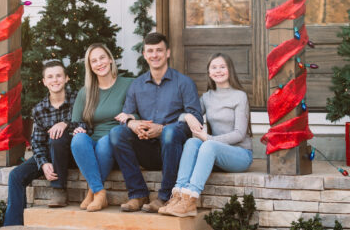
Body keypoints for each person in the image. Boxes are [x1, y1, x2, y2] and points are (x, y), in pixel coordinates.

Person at [109, 32, 202, 213]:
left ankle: (165, 196)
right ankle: (138, 193)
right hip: (146, 147)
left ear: (167, 53)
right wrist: (132, 124)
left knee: (169, 133)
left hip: (174, 148)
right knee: (116, 133)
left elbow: (196, 119)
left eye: (159, 50)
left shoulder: (184, 83)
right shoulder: (136, 85)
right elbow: (125, 116)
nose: (154, 55)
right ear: (144, 55)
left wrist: (164, 129)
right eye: (150, 51)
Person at [160, 53, 253, 217]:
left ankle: (190, 199)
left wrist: (209, 139)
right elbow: (189, 114)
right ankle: (179, 195)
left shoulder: (240, 96)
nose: (218, 71)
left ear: (230, 70)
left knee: (206, 144)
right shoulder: (207, 97)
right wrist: (187, 116)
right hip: (215, 152)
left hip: (239, 154)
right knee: (191, 143)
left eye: (222, 67)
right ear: (209, 73)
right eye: (214, 67)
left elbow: (239, 134)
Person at [3, 60, 75, 226]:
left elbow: (87, 124)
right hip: (50, 154)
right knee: (16, 176)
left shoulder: (77, 99)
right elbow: (37, 142)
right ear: (44, 82)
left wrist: (66, 124)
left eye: (58, 76)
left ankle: (59, 189)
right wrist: (43, 164)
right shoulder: (39, 109)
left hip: (72, 153)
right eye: (50, 77)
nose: (55, 80)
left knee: (57, 137)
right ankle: (13, 226)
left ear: (66, 78)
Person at [70, 43, 133, 212]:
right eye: (94, 61)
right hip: (93, 140)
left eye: (102, 58)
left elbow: (142, 111)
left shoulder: (128, 84)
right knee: (77, 140)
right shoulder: (86, 92)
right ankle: (99, 191)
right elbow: (76, 121)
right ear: (90, 66)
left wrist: (131, 116)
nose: (99, 63)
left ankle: (92, 192)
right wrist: (78, 129)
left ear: (110, 59)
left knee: (106, 142)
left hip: (116, 138)